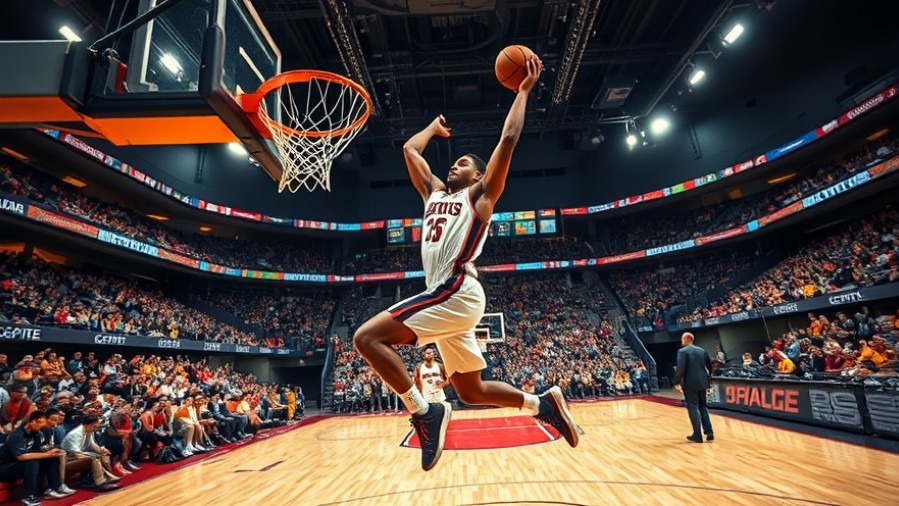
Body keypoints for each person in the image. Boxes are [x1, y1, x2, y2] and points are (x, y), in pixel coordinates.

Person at [353, 54, 580, 471]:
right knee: (471, 392)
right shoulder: (434, 195)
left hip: (455, 290)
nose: (452, 165)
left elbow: (507, 141)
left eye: (462, 163)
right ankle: (541, 403)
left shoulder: (479, 198)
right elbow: (409, 149)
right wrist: (433, 130)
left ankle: (424, 412)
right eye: (452, 162)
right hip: (449, 299)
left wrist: (524, 91)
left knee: (367, 339)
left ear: (477, 177)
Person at [0, 411, 74, 506]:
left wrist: (50, 454)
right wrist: (47, 454)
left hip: (20, 466)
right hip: (5, 468)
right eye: (41, 424)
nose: (42, 427)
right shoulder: (16, 434)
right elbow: (21, 456)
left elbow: (37, 452)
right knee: (32, 463)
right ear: (33, 422)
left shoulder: (37, 434)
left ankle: (53, 488)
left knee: (52, 458)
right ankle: (28, 497)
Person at [673, 332, 714, 443]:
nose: (681, 342)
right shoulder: (702, 350)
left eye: (682, 339)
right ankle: (709, 431)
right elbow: (709, 367)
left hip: (690, 383)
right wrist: (708, 379)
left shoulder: (682, 352)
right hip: (703, 382)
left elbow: (680, 368)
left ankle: (697, 435)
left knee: (692, 407)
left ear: (686, 340)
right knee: (703, 406)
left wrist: (676, 382)